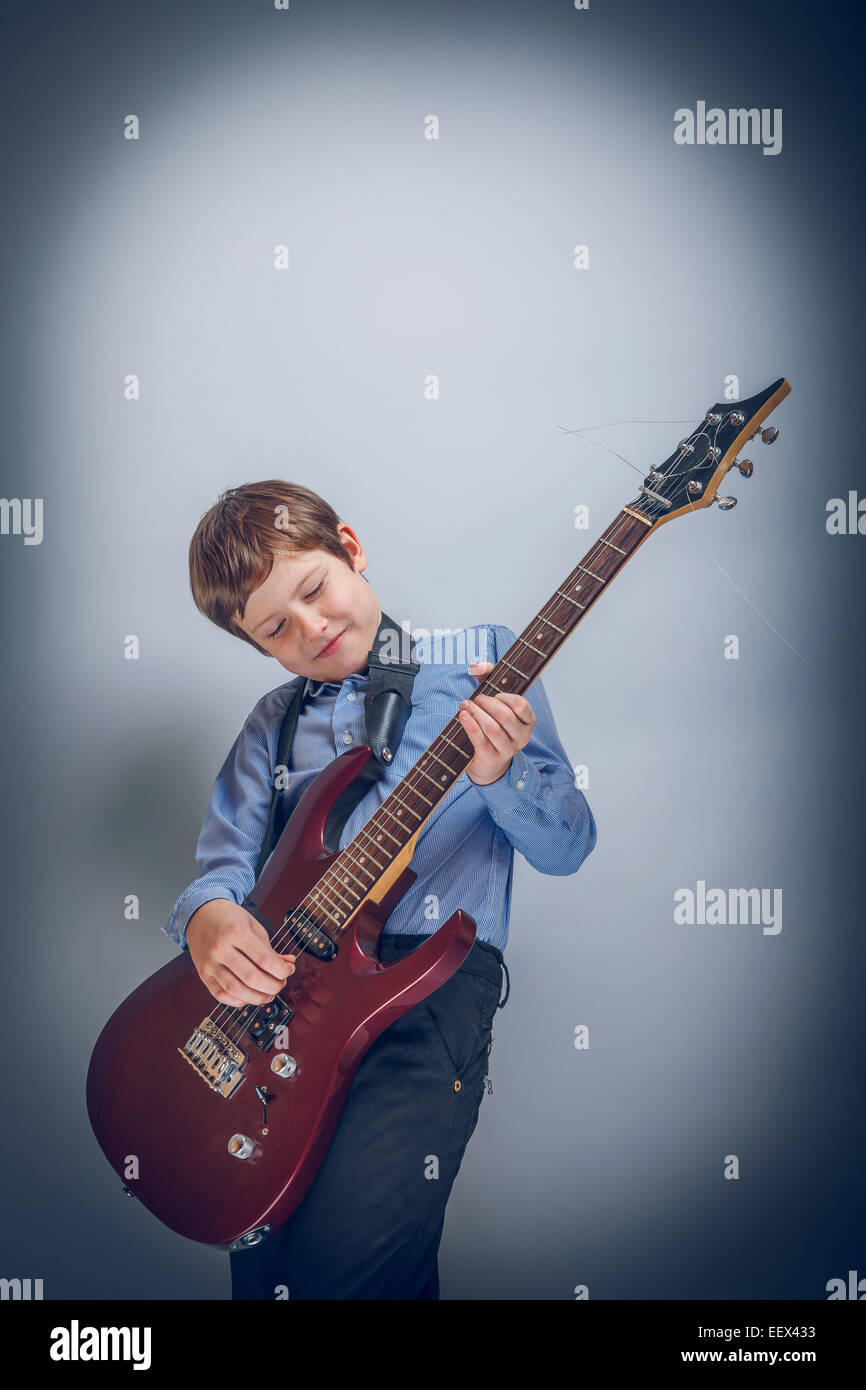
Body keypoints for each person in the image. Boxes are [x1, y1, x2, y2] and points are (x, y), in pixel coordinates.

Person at [163, 479, 597, 1299]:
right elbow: (221, 867)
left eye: (315, 590)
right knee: (272, 1268)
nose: (312, 629)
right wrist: (211, 919)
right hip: (284, 1009)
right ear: (258, 648)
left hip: (423, 1002)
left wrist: (501, 778)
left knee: (357, 1267)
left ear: (351, 549)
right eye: (276, 630)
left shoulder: (486, 659)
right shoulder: (274, 724)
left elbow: (569, 845)